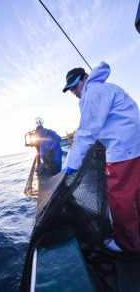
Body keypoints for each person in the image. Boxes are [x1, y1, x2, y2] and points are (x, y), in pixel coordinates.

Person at [62, 61, 140, 253]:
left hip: (123, 152)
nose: (74, 91)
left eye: (76, 85)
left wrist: (72, 164)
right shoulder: (108, 88)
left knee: (120, 199)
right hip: (134, 147)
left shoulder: (94, 93)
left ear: (86, 77)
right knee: (135, 194)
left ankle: (127, 244)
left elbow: (86, 131)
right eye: (70, 90)